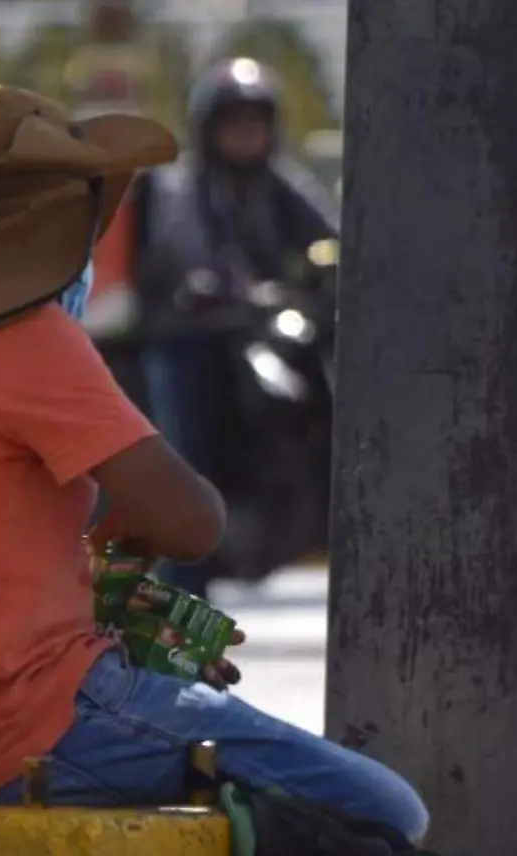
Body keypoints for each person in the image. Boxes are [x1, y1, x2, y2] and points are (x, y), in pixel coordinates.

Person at [0, 85, 427, 844]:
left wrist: (105, 595)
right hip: (36, 724)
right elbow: (193, 522)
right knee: (388, 811)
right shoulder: (20, 338)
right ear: (41, 221)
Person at [130, 57, 340, 598]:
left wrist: (323, 273)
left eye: (256, 120)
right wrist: (208, 286)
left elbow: (331, 241)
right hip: (191, 341)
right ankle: (184, 593)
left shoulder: (282, 186)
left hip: (262, 338)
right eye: (233, 120)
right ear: (209, 128)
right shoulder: (179, 190)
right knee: (188, 463)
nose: (246, 132)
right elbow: (176, 257)